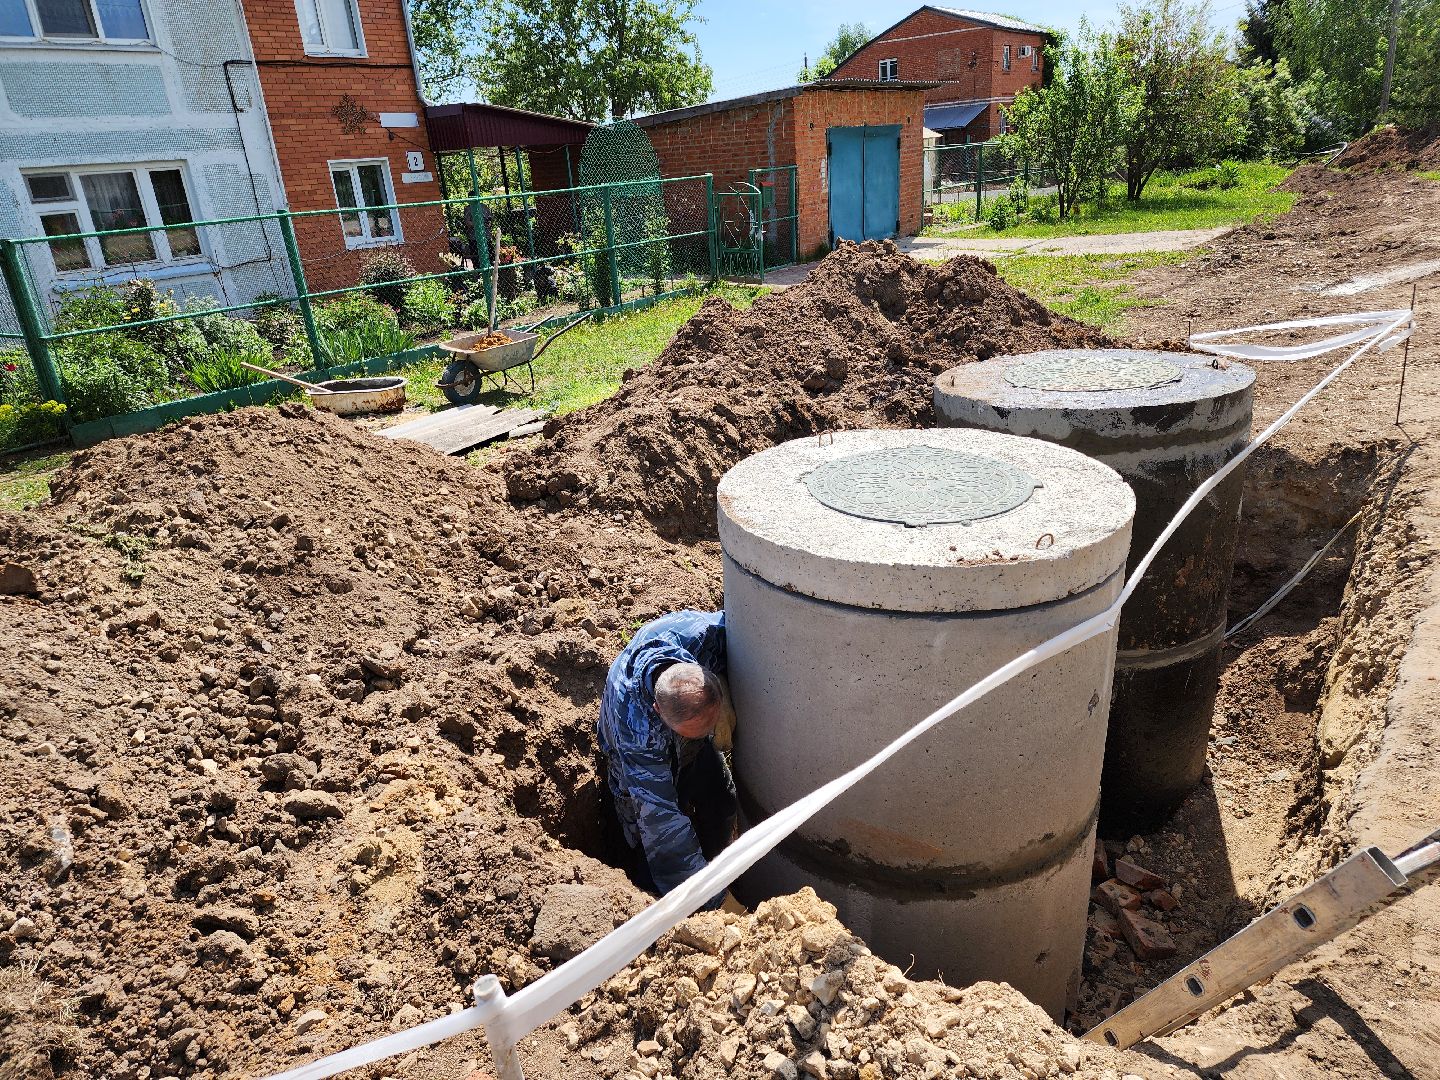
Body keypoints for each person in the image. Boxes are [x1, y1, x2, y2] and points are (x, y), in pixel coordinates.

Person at [598, 610, 737, 908]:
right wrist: (715, 903)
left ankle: (721, 867)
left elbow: (753, 628)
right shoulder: (638, 735)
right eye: (697, 730)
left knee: (722, 801)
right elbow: (664, 831)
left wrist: (723, 691)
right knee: (649, 845)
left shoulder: (696, 635)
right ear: (658, 711)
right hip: (633, 767)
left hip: (689, 744)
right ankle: (654, 898)